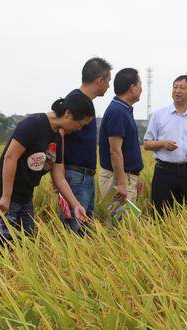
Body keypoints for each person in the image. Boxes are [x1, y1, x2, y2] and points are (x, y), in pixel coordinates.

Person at [0, 91, 95, 237]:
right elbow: (10, 157)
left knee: (27, 244)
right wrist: (6, 197)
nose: (79, 129)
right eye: (80, 124)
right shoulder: (33, 124)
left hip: (25, 197)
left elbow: (59, 178)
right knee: (1, 247)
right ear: (68, 114)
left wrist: (76, 205)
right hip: (2, 193)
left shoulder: (58, 137)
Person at [60, 57, 113, 235]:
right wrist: (58, 175)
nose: (108, 86)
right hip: (75, 177)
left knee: (85, 231)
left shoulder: (85, 102)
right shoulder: (75, 100)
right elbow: (59, 133)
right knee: (74, 232)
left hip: (85, 177)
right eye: (108, 82)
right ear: (100, 80)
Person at [143, 75, 187, 215]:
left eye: (182, 88)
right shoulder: (158, 115)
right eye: (175, 87)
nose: (177, 91)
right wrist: (163, 143)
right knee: (159, 214)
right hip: (164, 172)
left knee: (185, 214)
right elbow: (146, 144)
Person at [98, 68, 144, 204]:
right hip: (118, 179)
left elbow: (127, 149)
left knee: (124, 223)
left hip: (125, 177)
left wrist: (136, 175)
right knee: (119, 223)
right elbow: (115, 150)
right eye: (140, 84)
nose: (141, 89)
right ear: (132, 87)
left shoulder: (123, 109)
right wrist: (122, 184)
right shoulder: (118, 112)